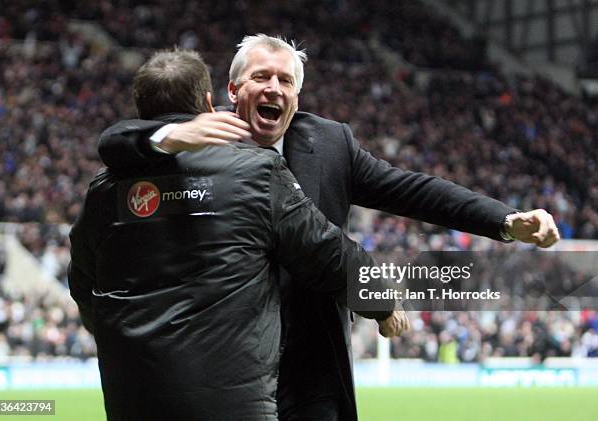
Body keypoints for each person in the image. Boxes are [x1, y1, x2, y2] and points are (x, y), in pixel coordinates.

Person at [98, 35, 560, 421]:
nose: (274, 87)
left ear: (297, 96)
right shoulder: (200, 143)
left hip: (310, 370)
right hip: (225, 367)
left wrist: (503, 220)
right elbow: (118, 142)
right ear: (233, 91)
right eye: (261, 77)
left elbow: (413, 190)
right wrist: (166, 138)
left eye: (286, 80)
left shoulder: (330, 143)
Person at [69, 49, 407, 421]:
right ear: (210, 104)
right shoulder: (254, 172)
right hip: (232, 402)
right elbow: (327, 253)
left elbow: (84, 285)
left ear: (141, 113)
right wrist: (383, 301)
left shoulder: (104, 191)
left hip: (131, 402)